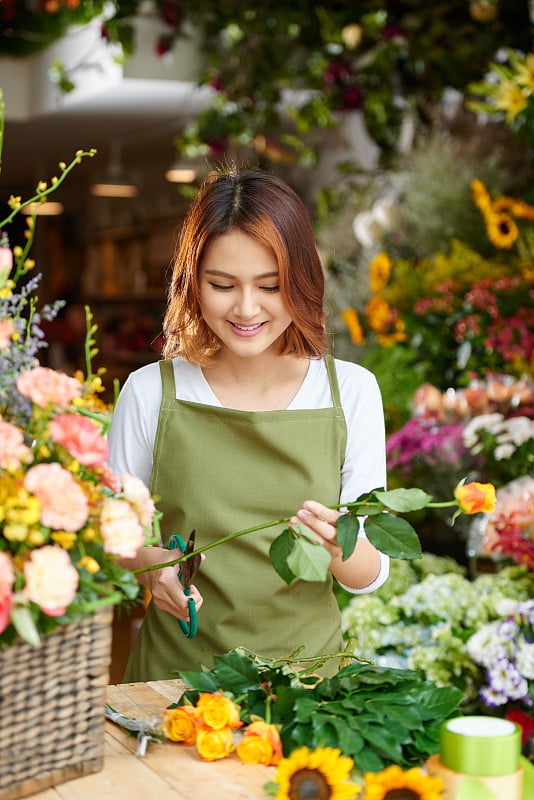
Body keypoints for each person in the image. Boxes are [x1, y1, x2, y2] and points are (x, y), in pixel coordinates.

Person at [108, 166, 389, 682]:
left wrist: (339, 548)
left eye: (270, 286)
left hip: (307, 694)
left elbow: (368, 575)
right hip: (172, 686)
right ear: (193, 282)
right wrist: (150, 564)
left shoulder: (349, 391)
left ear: (302, 282)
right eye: (222, 284)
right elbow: (111, 537)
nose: (245, 308)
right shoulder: (151, 392)